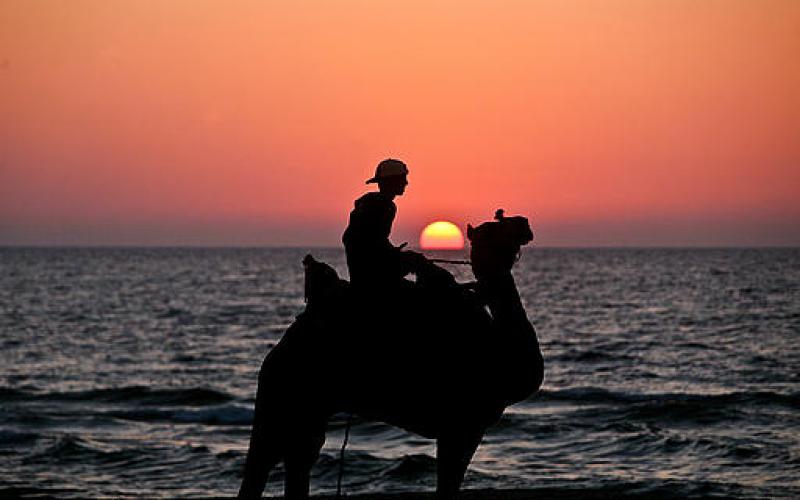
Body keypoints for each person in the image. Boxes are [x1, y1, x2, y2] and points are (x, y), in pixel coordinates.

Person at [342, 158, 426, 292]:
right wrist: (396, 255)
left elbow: (370, 240)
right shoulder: (386, 206)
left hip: (360, 274)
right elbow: (374, 244)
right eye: (402, 178)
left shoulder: (368, 204)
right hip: (373, 275)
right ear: (392, 181)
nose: (406, 183)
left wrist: (392, 251)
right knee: (417, 262)